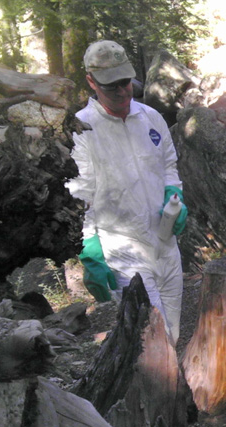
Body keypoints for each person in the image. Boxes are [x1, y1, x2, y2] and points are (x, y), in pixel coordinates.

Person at [68, 40, 188, 343]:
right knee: (150, 337)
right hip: (122, 249)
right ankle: (152, 388)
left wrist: (174, 192)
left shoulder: (150, 117)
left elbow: (168, 164)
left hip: (164, 240)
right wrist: (90, 250)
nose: (123, 92)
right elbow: (79, 195)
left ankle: (174, 388)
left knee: (173, 333)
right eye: (112, 86)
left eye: (126, 82)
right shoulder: (82, 129)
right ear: (91, 82)